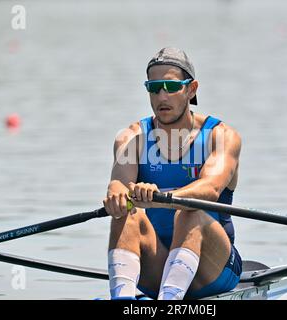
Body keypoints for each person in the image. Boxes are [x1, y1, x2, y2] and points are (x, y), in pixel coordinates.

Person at [103, 47, 242, 300]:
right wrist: (118, 197)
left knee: (191, 212)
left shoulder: (221, 136)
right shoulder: (131, 137)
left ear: (191, 89)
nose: (162, 96)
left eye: (170, 86)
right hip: (156, 266)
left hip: (214, 270)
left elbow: (210, 189)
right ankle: (123, 299)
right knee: (126, 214)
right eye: (154, 87)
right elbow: (118, 184)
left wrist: (160, 198)